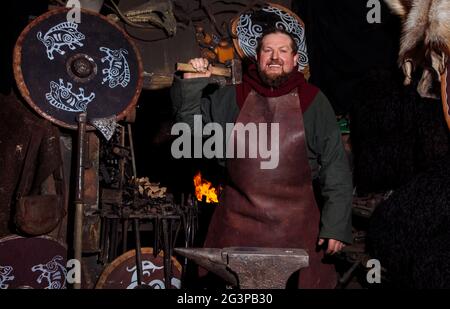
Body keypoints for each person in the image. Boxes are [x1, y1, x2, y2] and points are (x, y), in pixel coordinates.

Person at [171, 27, 353, 288]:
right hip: (235, 231)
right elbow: (188, 134)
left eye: (282, 51)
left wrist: (335, 225)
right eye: (268, 50)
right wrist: (191, 82)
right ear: (257, 58)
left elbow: (335, 166)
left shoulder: (314, 102)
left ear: (294, 60)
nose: (275, 57)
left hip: (299, 234)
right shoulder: (231, 98)